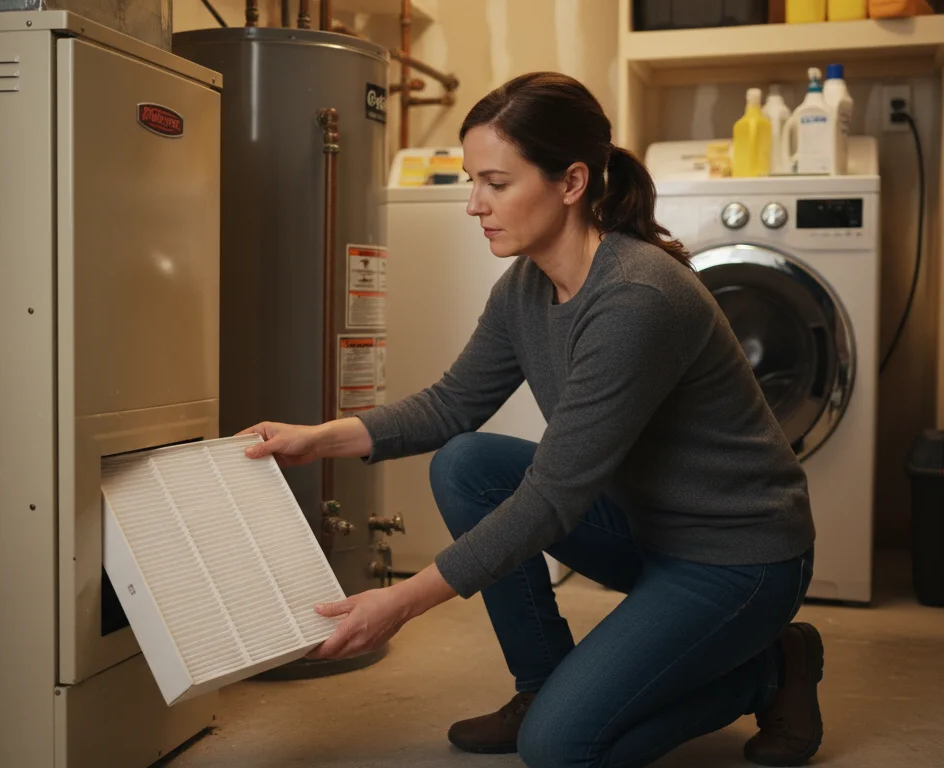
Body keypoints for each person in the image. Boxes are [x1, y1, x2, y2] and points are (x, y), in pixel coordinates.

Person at [240, 71, 823, 768]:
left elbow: (553, 498)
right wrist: (318, 438)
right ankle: (542, 686)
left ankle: (771, 669)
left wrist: (398, 603)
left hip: (738, 558)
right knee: (466, 462)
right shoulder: (526, 286)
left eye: (496, 182)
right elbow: (453, 405)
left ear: (571, 183)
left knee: (561, 749)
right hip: (648, 529)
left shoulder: (637, 299)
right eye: (471, 181)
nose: (474, 205)